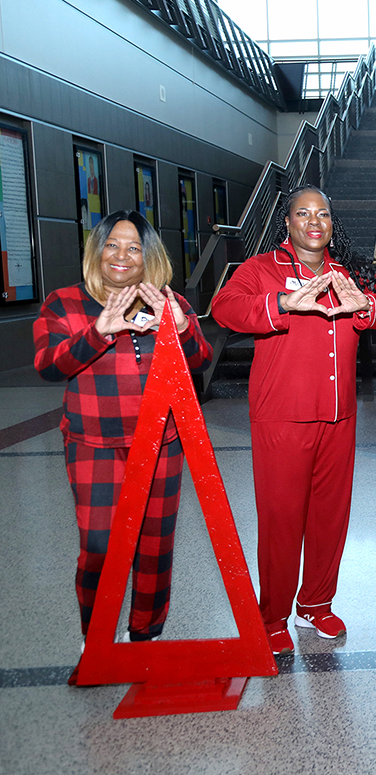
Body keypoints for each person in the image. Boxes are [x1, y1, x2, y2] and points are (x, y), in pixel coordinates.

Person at [210, 186, 376, 655]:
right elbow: (225, 307)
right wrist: (282, 304)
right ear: (288, 222)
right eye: (303, 213)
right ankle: (272, 615)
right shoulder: (261, 269)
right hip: (282, 417)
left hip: (339, 416)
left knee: (330, 518)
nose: (314, 222)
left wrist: (367, 306)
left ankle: (316, 603)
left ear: (332, 223)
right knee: (280, 520)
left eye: (323, 214)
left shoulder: (347, 270)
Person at [33, 210, 212, 684]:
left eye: (134, 247)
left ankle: (144, 635)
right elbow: (48, 366)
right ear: (96, 250)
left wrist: (182, 326)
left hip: (161, 442)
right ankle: (95, 639)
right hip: (93, 442)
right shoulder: (64, 303)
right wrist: (99, 331)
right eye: (112, 245)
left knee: (154, 545)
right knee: (98, 546)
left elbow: (201, 359)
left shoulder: (166, 301)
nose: (122, 256)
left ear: (148, 257)